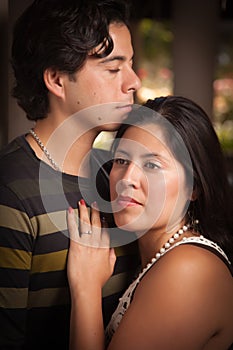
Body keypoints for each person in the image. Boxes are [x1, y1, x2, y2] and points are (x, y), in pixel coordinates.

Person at [0, 1, 141, 349]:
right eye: (113, 68)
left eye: (131, 65)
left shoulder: (120, 177)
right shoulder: (10, 190)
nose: (134, 81)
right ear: (57, 80)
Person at [67, 96, 233, 350]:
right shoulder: (160, 257)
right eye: (121, 160)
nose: (127, 179)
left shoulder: (190, 270)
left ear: (194, 187)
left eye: (152, 165)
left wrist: (86, 290)